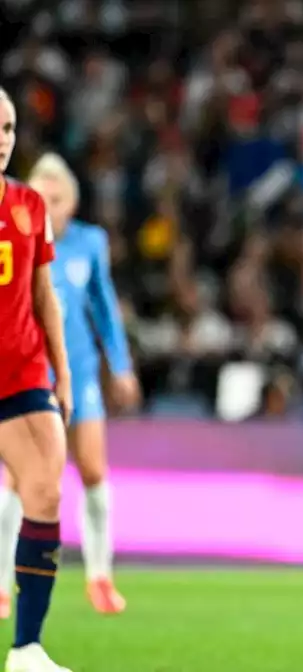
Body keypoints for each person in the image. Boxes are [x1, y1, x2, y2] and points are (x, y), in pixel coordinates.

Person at [0, 153, 139, 619]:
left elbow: (104, 309)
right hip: (26, 374)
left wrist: (119, 366)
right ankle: (2, 583)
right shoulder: (12, 239)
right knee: (20, 479)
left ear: (72, 203)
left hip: (79, 374)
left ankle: (100, 576)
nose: (48, 206)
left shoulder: (89, 243)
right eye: (40, 197)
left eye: (56, 199)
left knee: (94, 471)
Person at [0, 87, 74, 672]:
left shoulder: (28, 204)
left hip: (22, 370)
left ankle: (26, 648)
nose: (2, 140)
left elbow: (44, 295)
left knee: (46, 493)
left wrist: (64, 374)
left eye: (8, 128)